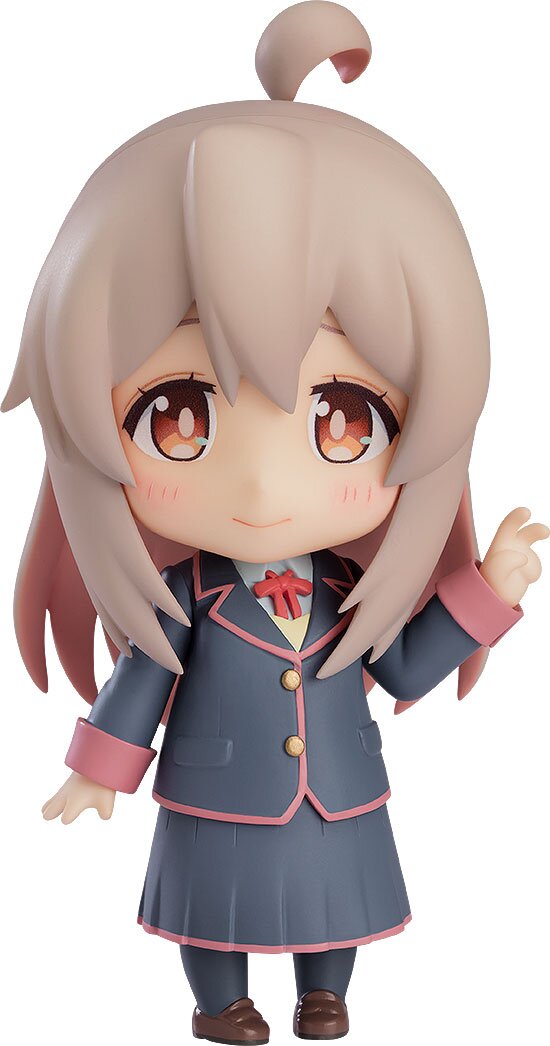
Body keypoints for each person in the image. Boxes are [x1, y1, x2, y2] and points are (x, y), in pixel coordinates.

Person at [3, 3, 547, 1042]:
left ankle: (323, 991)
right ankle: (221, 1002)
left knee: (331, 908)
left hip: (336, 795)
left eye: (344, 417)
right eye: (175, 414)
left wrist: (488, 589)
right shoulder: (187, 599)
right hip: (214, 794)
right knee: (213, 910)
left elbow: (402, 666)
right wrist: (98, 768)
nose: (259, 477)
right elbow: (142, 679)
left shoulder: (350, 593)